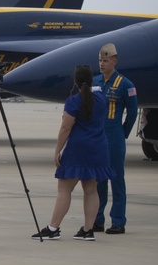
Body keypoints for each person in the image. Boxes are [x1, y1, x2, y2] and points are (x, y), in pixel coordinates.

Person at [33, 65, 115, 241]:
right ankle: (88, 229)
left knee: (64, 189)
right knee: (91, 189)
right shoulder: (101, 98)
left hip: (79, 149)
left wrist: (57, 150)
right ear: (92, 80)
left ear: (75, 82)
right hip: (98, 147)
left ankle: (53, 227)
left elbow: (65, 127)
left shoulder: (74, 101)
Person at [93, 43, 137, 234]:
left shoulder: (126, 85)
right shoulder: (95, 83)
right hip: (97, 137)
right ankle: (97, 220)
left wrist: (122, 133)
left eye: (106, 60)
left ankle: (118, 221)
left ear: (114, 61)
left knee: (116, 179)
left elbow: (133, 112)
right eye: (100, 61)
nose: (102, 64)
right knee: (98, 181)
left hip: (114, 137)